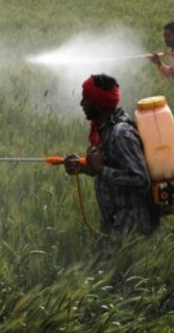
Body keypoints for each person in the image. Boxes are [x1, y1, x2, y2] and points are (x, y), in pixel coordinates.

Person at [64, 74, 159, 236]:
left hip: (133, 227)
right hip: (118, 224)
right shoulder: (105, 129)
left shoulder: (121, 134)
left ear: (99, 105)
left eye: (86, 99)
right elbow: (113, 166)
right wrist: (83, 167)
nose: (81, 104)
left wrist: (100, 169)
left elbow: (141, 179)